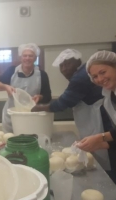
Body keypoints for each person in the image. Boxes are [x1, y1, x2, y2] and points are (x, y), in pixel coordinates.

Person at [31, 49, 110, 170]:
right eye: (61, 66)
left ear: (78, 62)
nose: (64, 69)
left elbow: (63, 102)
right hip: (95, 122)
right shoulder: (82, 73)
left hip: (100, 121)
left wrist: (38, 108)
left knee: (104, 155)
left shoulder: (80, 77)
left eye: (68, 64)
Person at [0, 43, 52, 132]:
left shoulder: (42, 75)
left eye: (30, 56)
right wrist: (5, 87)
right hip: (12, 116)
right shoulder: (12, 71)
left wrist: (40, 97)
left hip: (32, 116)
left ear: (35, 58)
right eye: (25, 56)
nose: (27, 58)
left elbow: (48, 96)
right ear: (21, 57)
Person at [78, 50, 116, 182]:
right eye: (94, 76)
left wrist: (101, 137)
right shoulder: (109, 98)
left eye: (103, 72)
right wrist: (98, 144)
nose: (99, 79)